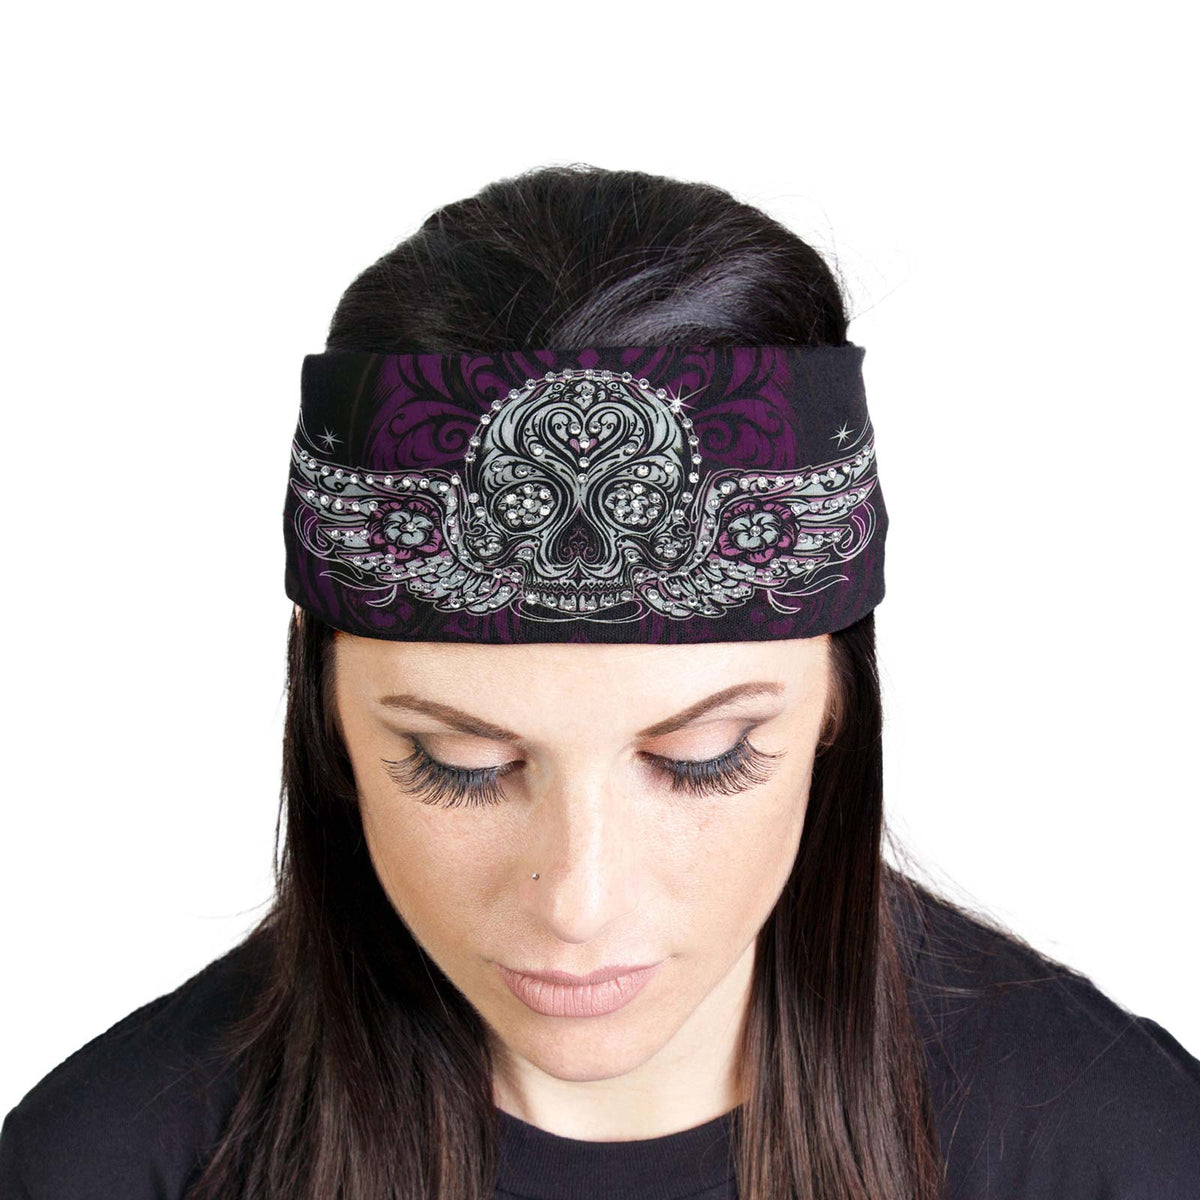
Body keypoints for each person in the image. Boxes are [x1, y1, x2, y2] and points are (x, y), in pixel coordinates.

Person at [1, 164, 1197, 1200]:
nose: (578, 901)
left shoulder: (1121, 1151)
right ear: (329, 722)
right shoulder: (108, 1164)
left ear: (838, 702)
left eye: (703, 760)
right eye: (461, 764)